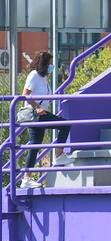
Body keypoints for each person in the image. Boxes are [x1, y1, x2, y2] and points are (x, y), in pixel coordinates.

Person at [17, 51, 69, 184]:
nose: (52, 66)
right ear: (44, 64)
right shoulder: (34, 75)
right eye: (50, 63)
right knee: (64, 125)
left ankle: (26, 178)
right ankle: (58, 154)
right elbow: (25, 94)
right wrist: (37, 107)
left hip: (41, 114)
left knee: (35, 146)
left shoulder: (43, 77)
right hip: (35, 114)